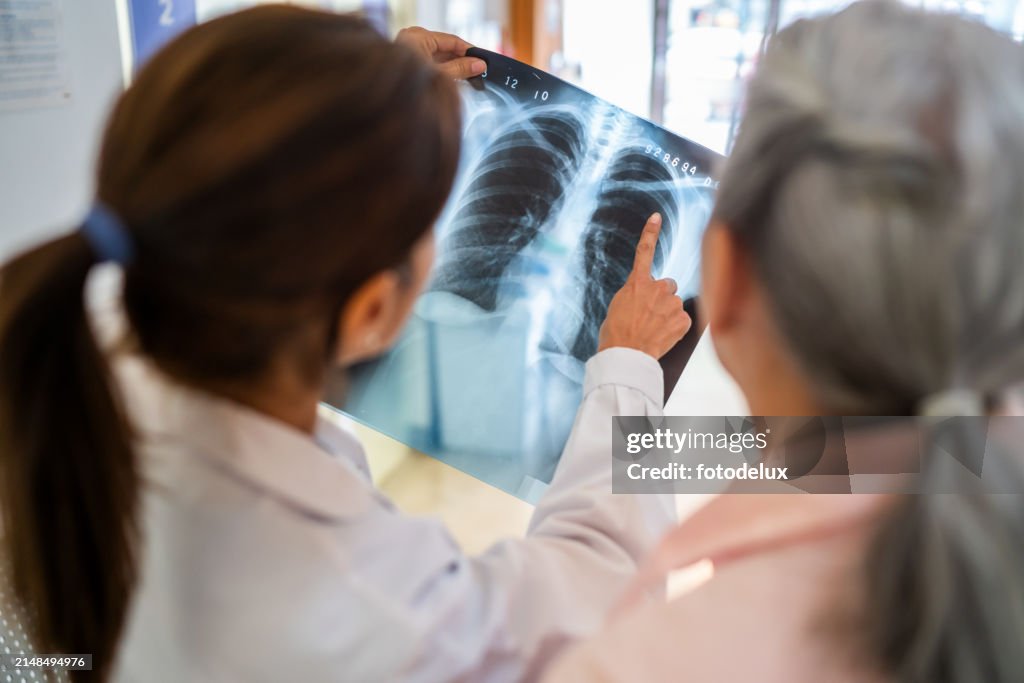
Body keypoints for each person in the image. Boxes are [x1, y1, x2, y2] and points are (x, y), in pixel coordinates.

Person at [0, 7, 689, 682]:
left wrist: (364, 100)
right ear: (370, 311)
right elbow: (599, 603)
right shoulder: (369, 605)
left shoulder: (66, 351)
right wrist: (624, 371)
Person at [544, 2, 1024, 681]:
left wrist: (620, 374)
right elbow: (824, 457)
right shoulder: (962, 439)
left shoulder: (638, 665)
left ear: (726, 276)